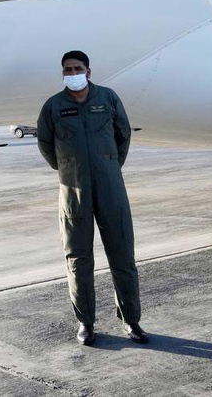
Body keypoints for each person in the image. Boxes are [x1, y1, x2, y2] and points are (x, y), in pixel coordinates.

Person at [36, 50, 147, 347]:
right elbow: (45, 143)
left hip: (111, 187)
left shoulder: (108, 98)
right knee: (78, 258)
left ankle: (131, 320)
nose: (73, 73)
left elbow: (123, 134)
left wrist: (109, 164)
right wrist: (69, 167)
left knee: (122, 255)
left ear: (89, 71)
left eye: (78, 68)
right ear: (62, 74)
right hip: (73, 191)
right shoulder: (53, 106)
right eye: (68, 69)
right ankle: (85, 323)